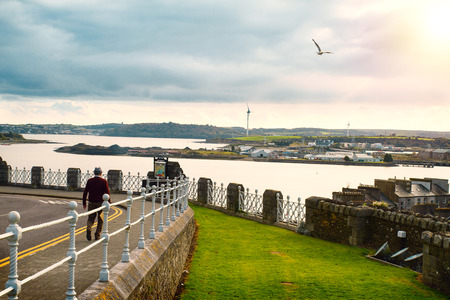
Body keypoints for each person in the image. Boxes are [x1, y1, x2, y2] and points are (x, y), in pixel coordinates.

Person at [83, 167, 110, 241]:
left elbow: (85, 192)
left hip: (91, 203)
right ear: (101, 173)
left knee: (91, 218)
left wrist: (84, 202)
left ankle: (89, 228)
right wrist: (109, 203)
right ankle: (97, 235)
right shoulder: (104, 181)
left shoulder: (90, 181)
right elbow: (107, 193)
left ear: (94, 173)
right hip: (101, 204)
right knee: (101, 220)